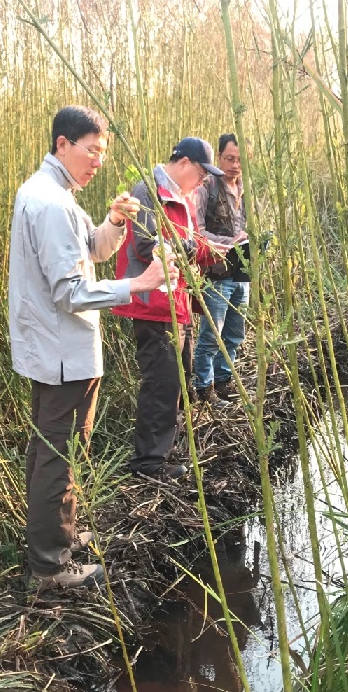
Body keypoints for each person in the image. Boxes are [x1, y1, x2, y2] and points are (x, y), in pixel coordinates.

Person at [8, 105, 176, 590]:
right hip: (63, 353)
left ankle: (57, 537)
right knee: (56, 454)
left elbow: (93, 251)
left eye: (103, 153)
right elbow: (70, 291)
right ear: (63, 144)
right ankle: (49, 567)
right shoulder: (51, 202)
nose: (98, 161)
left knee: (54, 449)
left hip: (56, 349)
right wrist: (137, 283)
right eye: (92, 150)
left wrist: (114, 221)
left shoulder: (53, 194)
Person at [112, 138, 225, 479]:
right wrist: (194, 247)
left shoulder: (182, 197)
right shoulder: (149, 192)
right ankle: (148, 464)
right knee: (162, 383)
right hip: (152, 303)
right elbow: (149, 246)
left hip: (176, 302)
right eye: (203, 172)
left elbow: (184, 246)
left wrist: (218, 253)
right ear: (187, 163)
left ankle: (165, 452)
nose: (204, 181)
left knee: (178, 382)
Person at [192, 133, 249, 405]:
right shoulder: (207, 188)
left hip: (242, 272)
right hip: (216, 272)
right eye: (229, 158)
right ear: (219, 157)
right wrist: (228, 242)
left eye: (239, 160)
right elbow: (196, 232)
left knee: (235, 333)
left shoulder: (245, 190)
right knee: (211, 334)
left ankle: (224, 381)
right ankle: (204, 388)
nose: (235, 165)